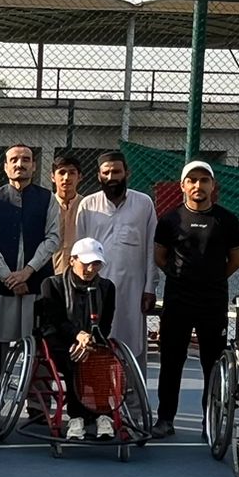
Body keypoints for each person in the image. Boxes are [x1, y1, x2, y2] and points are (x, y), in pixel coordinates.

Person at [153, 160, 239, 437]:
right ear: (183, 185)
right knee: (171, 361)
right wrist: (182, 278)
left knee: (212, 364)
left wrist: (211, 280)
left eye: (204, 180)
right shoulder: (169, 220)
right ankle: (165, 419)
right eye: (192, 181)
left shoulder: (227, 220)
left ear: (212, 185)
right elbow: (160, 257)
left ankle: (210, 420)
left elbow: (236, 261)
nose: (198, 186)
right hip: (178, 301)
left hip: (212, 303)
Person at [0, 144, 60, 396]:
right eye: (14, 159)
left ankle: (37, 403)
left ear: (34, 166)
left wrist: (28, 272)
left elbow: (53, 238)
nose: (19, 164)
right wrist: (8, 277)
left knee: (38, 344)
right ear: (5, 166)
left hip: (36, 285)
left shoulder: (48, 199)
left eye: (25, 159)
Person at [74, 150, 158, 373]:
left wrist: (150, 288)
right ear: (99, 176)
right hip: (95, 291)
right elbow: (80, 252)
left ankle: (133, 403)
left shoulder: (143, 204)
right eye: (106, 172)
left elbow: (151, 249)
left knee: (131, 349)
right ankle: (96, 399)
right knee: (96, 343)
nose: (112, 177)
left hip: (132, 291)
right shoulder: (88, 206)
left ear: (126, 173)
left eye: (117, 171)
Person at [36, 237, 118, 441]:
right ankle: (76, 417)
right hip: (59, 341)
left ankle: (103, 415)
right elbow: (53, 320)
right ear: (72, 260)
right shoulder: (51, 284)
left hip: (93, 341)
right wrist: (77, 335)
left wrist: (90, 340)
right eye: (86, 262)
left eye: (96, 263)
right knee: (78, 360)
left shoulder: (108, 287)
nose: (90, 269)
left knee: (101, 360)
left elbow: (105, 324)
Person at [50, 153, 83, 275]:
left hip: (79, 273)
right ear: (53, 177)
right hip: (49, 272)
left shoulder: (87, 206)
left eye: (72, 173)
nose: (66, 178)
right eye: (61, 172)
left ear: (79, 177)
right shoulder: (45, 205)